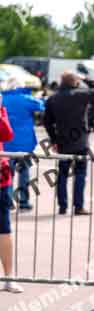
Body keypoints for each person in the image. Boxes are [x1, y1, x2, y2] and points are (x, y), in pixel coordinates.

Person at [43, 71, 94, 215]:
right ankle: (78, 206)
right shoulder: (81, 95)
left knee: (62, 174)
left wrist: (54, 140)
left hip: (63, 142)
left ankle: (62, 206)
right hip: (80, 140)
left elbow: (47, 122)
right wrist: (86, 78)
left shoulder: (53, 98)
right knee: (80, 174)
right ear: (75, 82)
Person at [1, 80, 44, 211]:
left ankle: (7, 202)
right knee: (24, 173)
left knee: (7, 174)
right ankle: (23, 201)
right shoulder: (26, 98)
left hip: (7, 142)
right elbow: (41, 106)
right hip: (25, 143)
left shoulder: (4, 99)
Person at [0, 91, 23, 293]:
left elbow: (7, 134)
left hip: (1, 178)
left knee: (4, 229)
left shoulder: (2, 108)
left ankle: (8, 277)